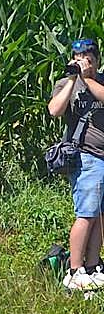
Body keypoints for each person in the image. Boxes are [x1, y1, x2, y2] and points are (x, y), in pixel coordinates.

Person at [48, 37, 104, 292]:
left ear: (97, 61)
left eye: (88, 59)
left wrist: (89, 78)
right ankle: (75, 270)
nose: (84, 63)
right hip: (85, 157)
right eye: (79, 59)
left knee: (100, 216)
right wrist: (73, 79)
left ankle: (92, 266)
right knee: (86, 213)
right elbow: (54, 110)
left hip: (102, 157)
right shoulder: (66, 83)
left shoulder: (100, 81)